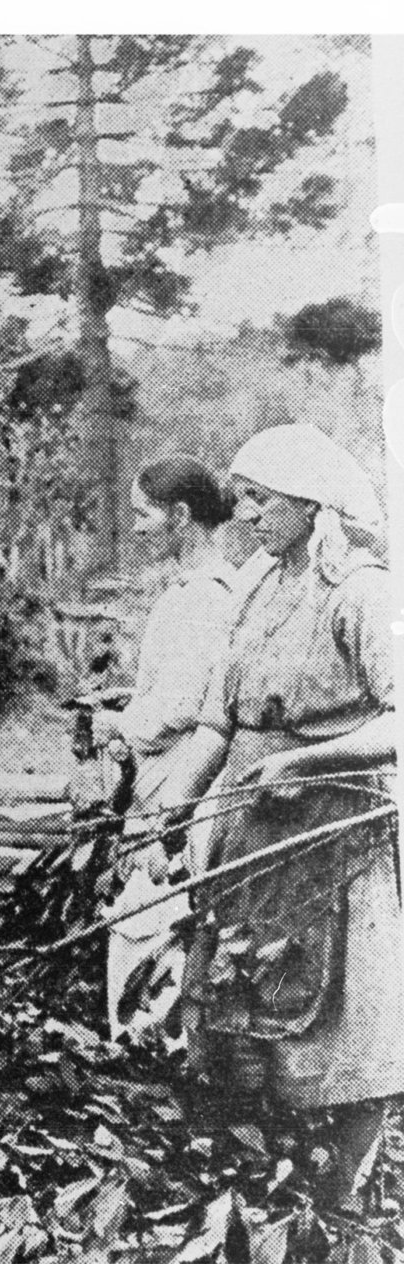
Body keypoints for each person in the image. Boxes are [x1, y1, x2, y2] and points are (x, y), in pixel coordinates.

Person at [152, 423, 399, 1209]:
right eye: (242, 498)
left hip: (334, 834)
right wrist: (173, 807)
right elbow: (216, 723)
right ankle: (261, 1187)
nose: (246, 513)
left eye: (261, 499)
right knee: (242, 1002)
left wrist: (304, 762)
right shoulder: (255, 586)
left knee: (339, 1022)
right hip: (251, 836)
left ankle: (341, 1192)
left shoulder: (362, 592)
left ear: (310, 503)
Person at [94, 456, 265, 1035]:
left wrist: (119, 723)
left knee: (152, 928)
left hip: (177, 784)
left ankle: (144, 1054)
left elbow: (182, 707)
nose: (137, 527)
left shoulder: (204, 596)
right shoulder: (198, 590)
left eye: (145, 515)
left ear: (181, 515)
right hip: (165, 778)